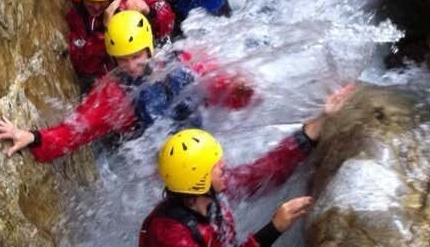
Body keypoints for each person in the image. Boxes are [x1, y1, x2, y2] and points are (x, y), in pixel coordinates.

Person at [0, 11, 254, 162]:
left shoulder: (181, 60)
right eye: (123, 59)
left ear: (150, 49)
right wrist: (33, 137)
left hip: (202, 142)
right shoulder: (114, 95)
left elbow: (216, 88)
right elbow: (76, 130)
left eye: (137, 56)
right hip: (162, 163)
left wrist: (238, 91)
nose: (130, 65)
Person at [139, 83, 357, 246]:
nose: (223, 165)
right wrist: (274, 228)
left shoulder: (209, 193)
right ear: (197, 180)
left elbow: (262, 173)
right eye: (214, 165)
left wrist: (317, 125)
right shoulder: (171, 235)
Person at [66, 0, 175, 85]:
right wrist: (106, 32)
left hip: (144, 60)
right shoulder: (78, 17)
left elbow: (168, 19)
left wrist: (150, 11)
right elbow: (84, 65)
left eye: (102, 1)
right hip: (117, 76)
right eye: (90, 1)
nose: (96, 7)